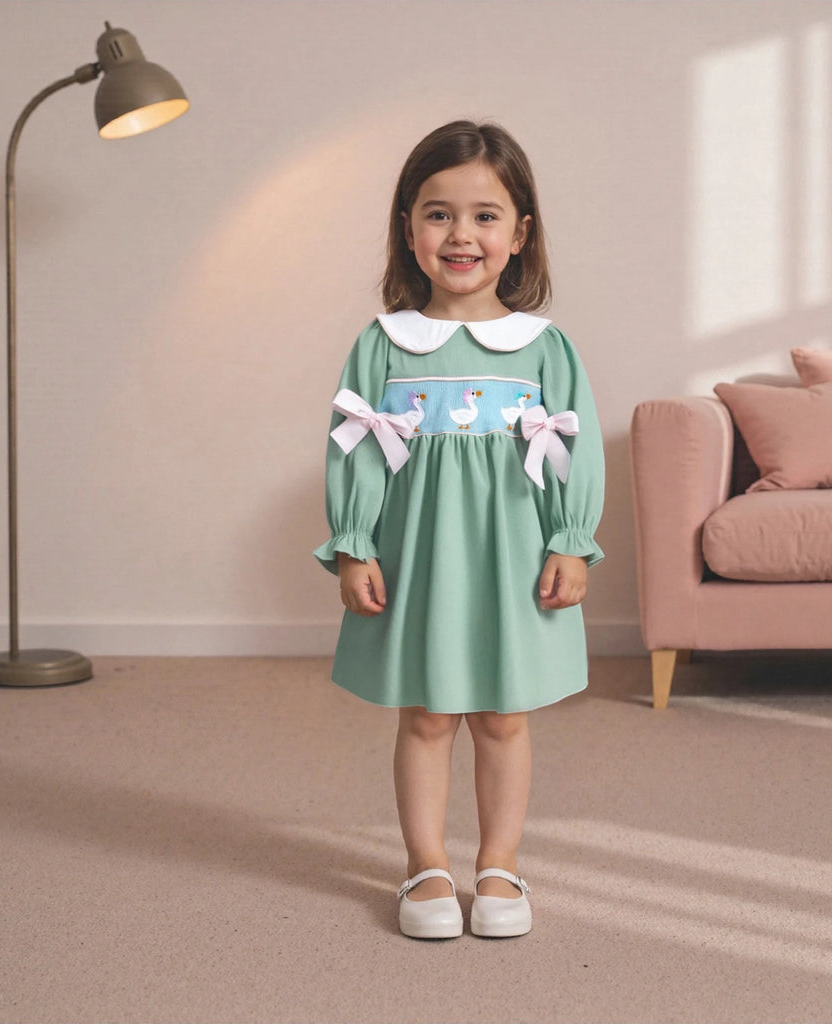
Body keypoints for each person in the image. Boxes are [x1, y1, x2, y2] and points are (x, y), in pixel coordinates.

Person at [314, 120, 604, 939]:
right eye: (438, 214)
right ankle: (425, 866)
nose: (461, 234)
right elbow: (357, 451)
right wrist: (355, 542)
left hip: (513, 557)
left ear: (520, 234)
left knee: (504, 717)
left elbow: (570, 454)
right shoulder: (384, 345)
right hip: (421, 557)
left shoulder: (544, 349)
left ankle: (501, 865)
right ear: (408, 229)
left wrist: (570, 540)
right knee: (428, 714)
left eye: (485, 215)